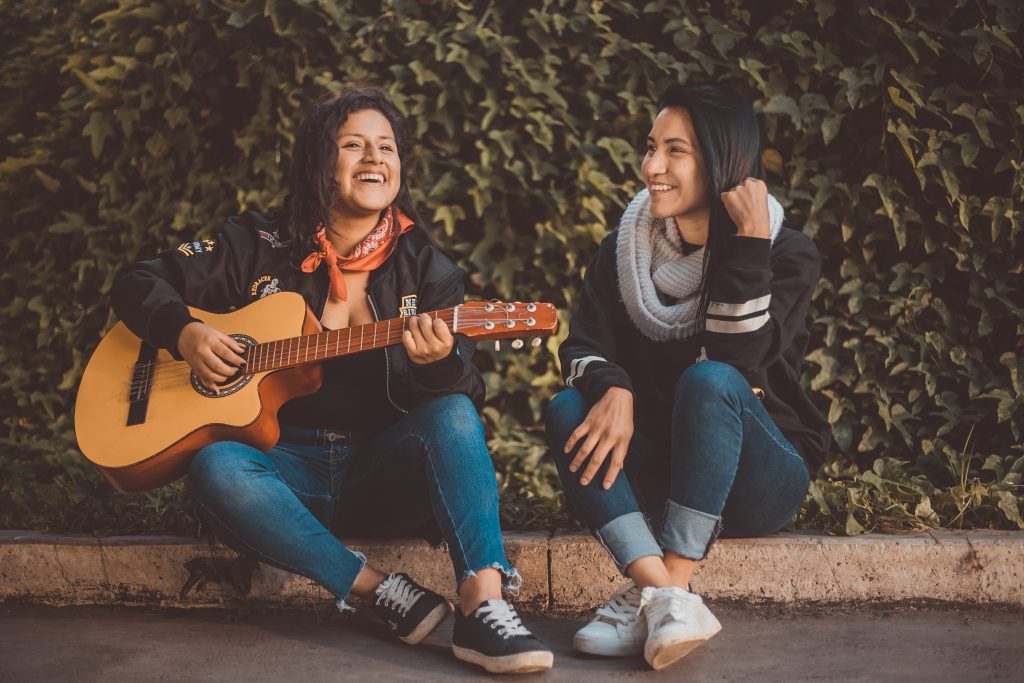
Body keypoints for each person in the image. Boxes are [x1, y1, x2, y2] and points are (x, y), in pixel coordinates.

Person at [111, 87, 553, 675]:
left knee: (451, 414)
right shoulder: (253, 243)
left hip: (380, 473)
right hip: (279, 472)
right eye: (354, 145)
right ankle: (376, 591)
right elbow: (137, 281)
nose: (375, 159)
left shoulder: (428, 269)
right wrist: (186, 335)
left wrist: (437, 364)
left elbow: (463, 402)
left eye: (386, 147)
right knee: (215, 465)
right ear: (320, 159)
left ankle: (484, 605)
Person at [545, 84, 831, 670]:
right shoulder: (621, 251)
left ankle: (664, 587)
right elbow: (580, 347)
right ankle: (663, 593)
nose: (652, 167)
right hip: (664, 474)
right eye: (651, 148)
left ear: (722, 160)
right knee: (566, 408)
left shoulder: (786, 255)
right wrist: (613, 386)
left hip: (757, 480)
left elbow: (738, 360)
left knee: (708, 382)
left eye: (675, 151)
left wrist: (749, 248)